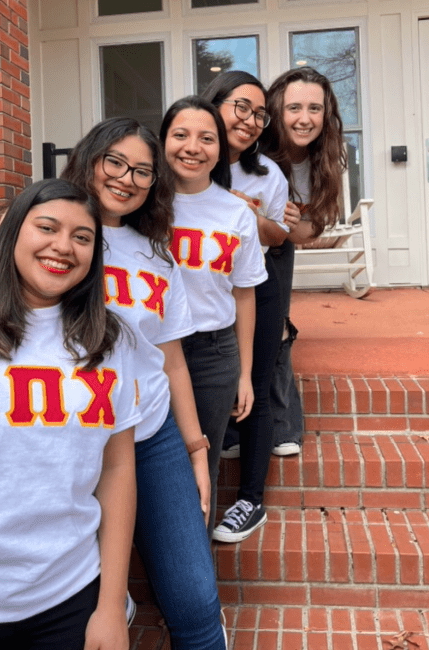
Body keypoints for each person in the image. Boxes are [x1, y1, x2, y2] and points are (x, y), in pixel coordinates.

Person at [0, 118, 228, 649]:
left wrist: (196, 446)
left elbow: (171, 357)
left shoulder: (158, 253)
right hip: (50, 430)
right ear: (89, 157)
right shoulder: (38, 227)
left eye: (144, 172)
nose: (127, 178)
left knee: (194, 598)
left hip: (142, 436)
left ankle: (103, 601)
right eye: (116, 162)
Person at [0, 178, 140, 650]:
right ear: (13, 231)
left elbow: (117, 468)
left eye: (83, 238)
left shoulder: (108, 339)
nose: (64, 246)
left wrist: (111, 604)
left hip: (71, 597)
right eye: (47, 227)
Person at [159, 96, 268, 539]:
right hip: (145, 352)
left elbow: (244, 295)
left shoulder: (235, 212)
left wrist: (243, 373)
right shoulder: (142, 206)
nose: (193, 147)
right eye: (180, 135)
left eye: (207, 138)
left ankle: (195, 571)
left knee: (198, 464)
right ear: (162, 140)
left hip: (210, 355)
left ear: (221, 150)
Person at [200, 71, 292, 542]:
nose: (252, 120)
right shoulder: (189, 159)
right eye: (242, 107)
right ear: (214, 103)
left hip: (256, 281)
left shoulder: (266, 174)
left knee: (253, 379)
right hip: (199, 287)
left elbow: (280, 235)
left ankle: (251, 499)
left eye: (260, 114)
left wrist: (245, 212)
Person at [262, 66, 348, 452]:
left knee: (275, 326)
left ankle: (281, 428)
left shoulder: (325, 159)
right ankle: (232, 430)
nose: (304, 118)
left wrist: (282, 224)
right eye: (294, 107)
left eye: (314, 108)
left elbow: (312, 230)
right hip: (228, 249)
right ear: (277, 108)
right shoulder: (255, 149)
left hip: (277, 248)